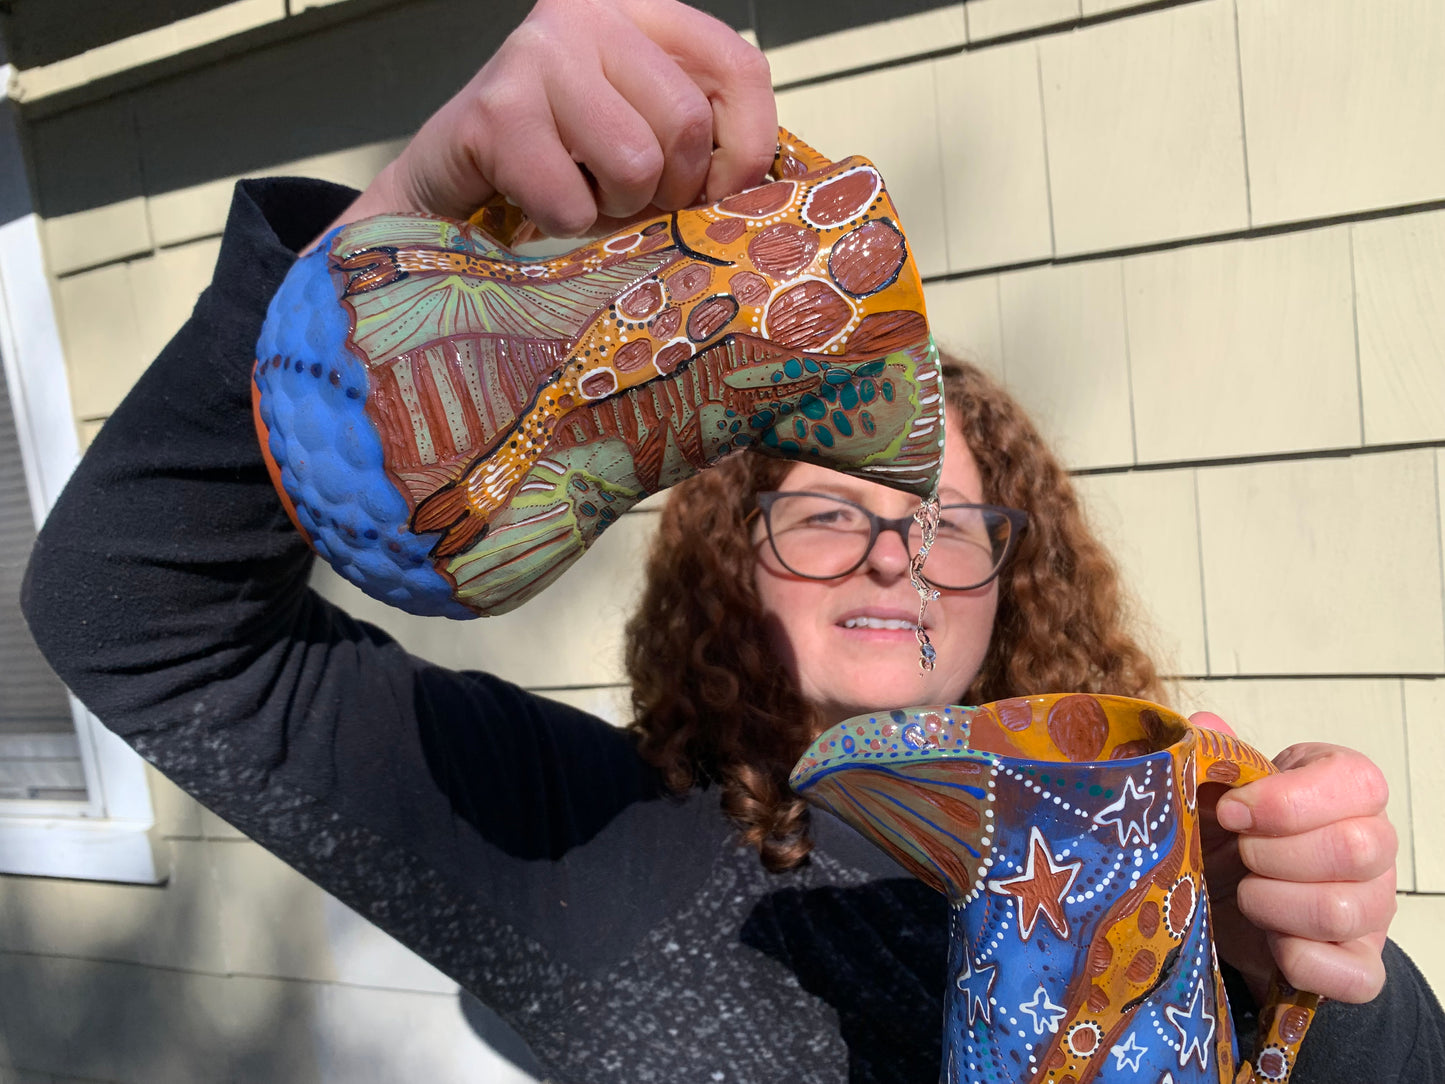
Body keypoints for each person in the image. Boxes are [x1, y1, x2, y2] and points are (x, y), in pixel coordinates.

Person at [20, 0, 1442, 1080]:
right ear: (729, 559)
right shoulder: (578, 837)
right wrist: (404, 233)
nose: (896, 555)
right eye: (831, 512)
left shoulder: (1136, 838)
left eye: (950, 527)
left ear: (1013, 580)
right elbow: (131, 615)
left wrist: (1291, 975)